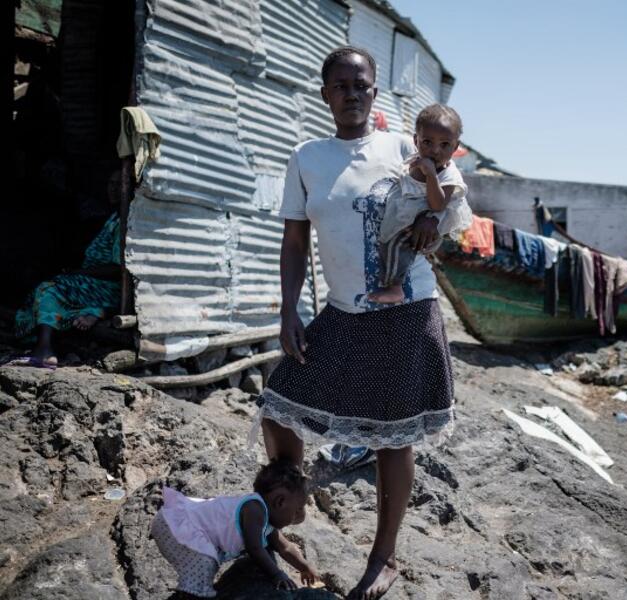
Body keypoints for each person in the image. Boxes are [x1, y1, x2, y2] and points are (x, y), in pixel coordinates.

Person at [252, 46, 454, 599]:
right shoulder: (307, 158)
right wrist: (289, 308)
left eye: (361, 85)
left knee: (394, 436)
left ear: (375, 91)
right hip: (342, 312)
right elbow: (295, 241)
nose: (351, 94)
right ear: (325, 95)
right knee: (279, 402)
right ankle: (285, 502)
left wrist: (433, 218)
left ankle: (383, 557)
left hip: (404, 312)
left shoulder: (403, 147)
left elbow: (451, 191)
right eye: (340, 85)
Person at [150, 459, 318, 597]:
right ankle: (191, 594)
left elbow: (285, 546)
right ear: (280, 502)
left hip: (179, 526)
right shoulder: (254, 509)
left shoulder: (268, 519)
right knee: (205, 563)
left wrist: (304, 566)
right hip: (175, 528)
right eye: (298, 509)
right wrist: (276, 574)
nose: (300, 516)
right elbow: (255, 548)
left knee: (207, 559)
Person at [368, 104, 471, 304]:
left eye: (444, 145)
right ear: (415, 140)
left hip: (426, 229)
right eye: (427, 142)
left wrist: (431, 175)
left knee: (397, 245)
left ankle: (395, 287)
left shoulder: (449, 175)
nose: (435, 150)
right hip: (408, 218)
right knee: (388, 244)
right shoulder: (414, 159)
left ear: (455, 147)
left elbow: (438, 205)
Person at [13, 210, 122, 368]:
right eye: (111, 183)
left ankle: (45, 350)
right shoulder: (115, 216)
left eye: (118, 184)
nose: (112, 188)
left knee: (49, 289)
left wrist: (79, 272)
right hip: (93, 282)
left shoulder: (126, 221)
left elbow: (117, 269)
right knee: (45, 289)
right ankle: (93, 312)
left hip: (107, 287)